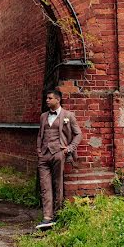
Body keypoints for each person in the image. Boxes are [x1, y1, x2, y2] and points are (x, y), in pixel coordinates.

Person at [35, 88, 82, 230]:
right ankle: (46, 217)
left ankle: (57, 214)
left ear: (58, 99)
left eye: (50, 98)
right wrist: (39, 150)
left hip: (58, 153)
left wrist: (69, 148)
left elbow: (78, 134)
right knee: (45, 185)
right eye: (47, 98)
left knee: (58, 183)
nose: (47, 100)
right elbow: (40, 135)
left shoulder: (68, 115)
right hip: (44, 154)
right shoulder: (43, 116)